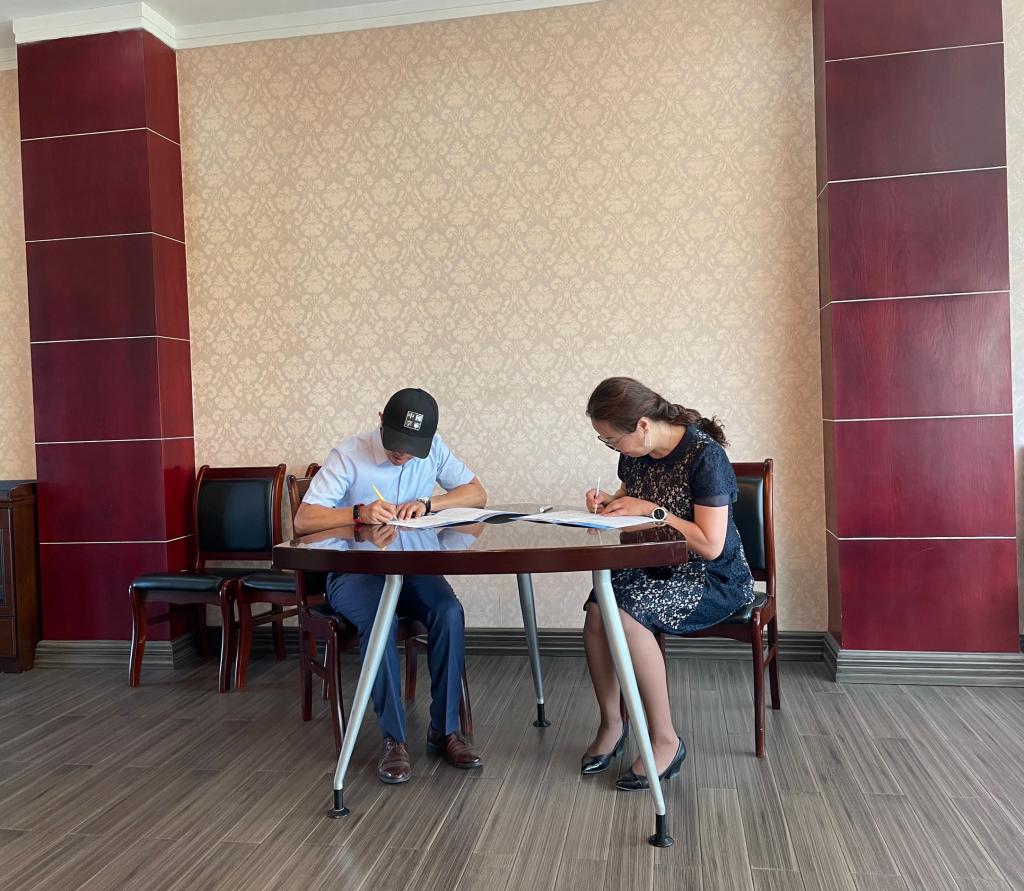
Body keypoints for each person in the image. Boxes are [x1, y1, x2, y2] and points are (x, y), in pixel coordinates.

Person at [294, 388, 487, 784]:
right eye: (396, 444)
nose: (402, 455)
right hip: (354, 573)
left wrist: (430, 503)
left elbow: (477, 494)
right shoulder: (349, 454)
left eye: (412, 449)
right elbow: (303, 520)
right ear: (381, 419)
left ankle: (445, 731)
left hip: (413, 568)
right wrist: (357, 512)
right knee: (379, 621)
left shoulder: (433, 449)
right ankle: (393, 739)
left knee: (448, 611)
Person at [580, 376, 754, 790]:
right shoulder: (635, 456)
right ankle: (612, 724)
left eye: (612, 440)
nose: (613, 448)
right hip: (655, 565)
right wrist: (610, 504)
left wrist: (654, 511)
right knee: (597, 609)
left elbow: (710, 545)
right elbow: (632, 500)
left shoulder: (705, 457)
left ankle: (665, 741)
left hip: (712, 576)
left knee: (625, 613)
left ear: (642, 425)